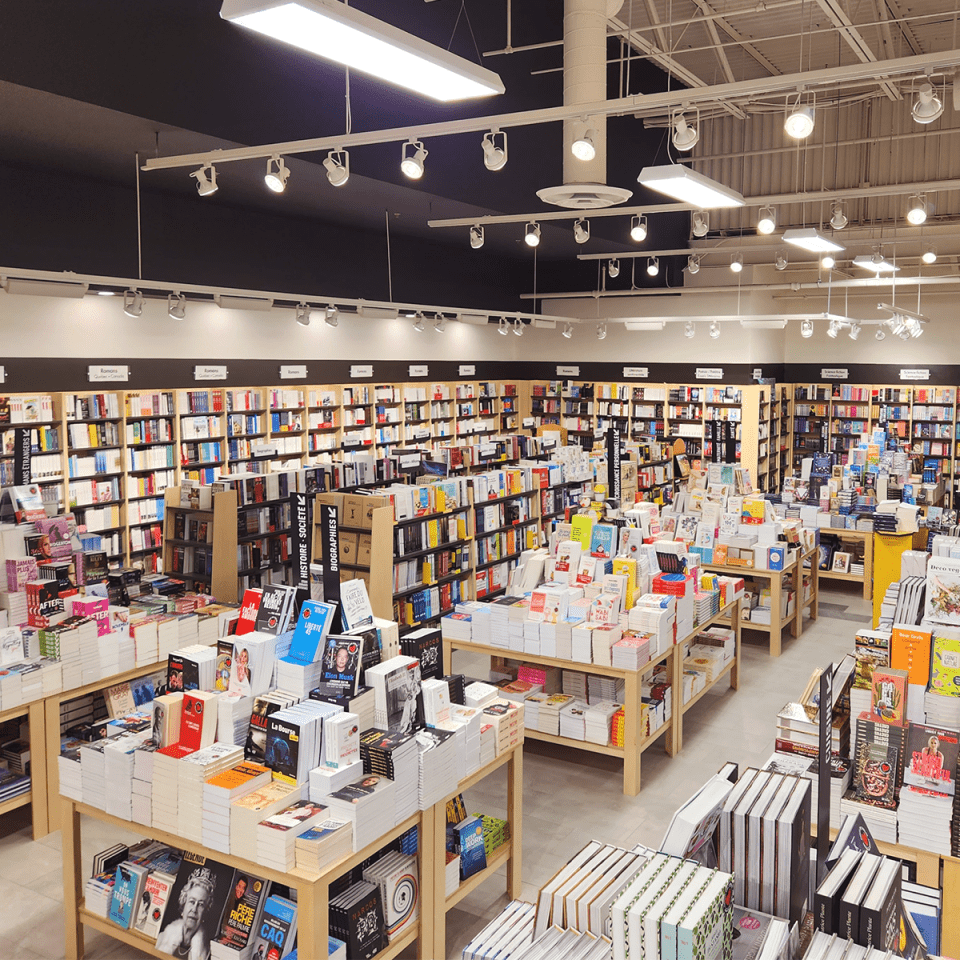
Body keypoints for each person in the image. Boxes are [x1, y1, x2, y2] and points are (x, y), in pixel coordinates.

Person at [156, 867, 217, 960]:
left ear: (205, 911)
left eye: (200, 904)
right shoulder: (162, 938)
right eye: (192, 902)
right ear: (184, 904)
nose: (194, 909)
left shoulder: (209, 952)